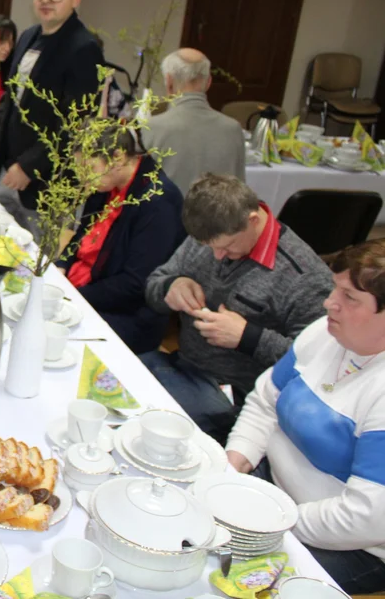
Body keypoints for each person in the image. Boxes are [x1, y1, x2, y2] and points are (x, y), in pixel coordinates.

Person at [226, 239, 385, 595]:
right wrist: (233, 465)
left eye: (350, 298)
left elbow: (367, 517)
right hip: (274, 497)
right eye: (335, 290)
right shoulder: (324, 333)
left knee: (227, 579)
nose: (330, 303)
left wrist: (273, 521)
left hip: (350, 544)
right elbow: (265, 402)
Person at [142, 174, 333, 442]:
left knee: (148, 426)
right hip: (181, 365)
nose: (217, 255)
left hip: (238, 395)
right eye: (210, 247)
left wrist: (247, 337)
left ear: (252, 220)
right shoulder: (209, 233)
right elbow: (153, 285)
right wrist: (171, 286)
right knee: (111, 383)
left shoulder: (304, 277)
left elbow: (315, 362)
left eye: (228, 246)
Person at [0, 0, 103, 233]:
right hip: (7, 167)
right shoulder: (28, 36)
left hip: (43, 184)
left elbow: (74, 125)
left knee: (30, 262)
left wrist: (29, 166)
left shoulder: (85, 48)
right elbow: (9, 104)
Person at [56, 126, 183, 353]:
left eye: (89, 168)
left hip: (126, 313)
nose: (83, 178)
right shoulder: (107, 182)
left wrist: (73, 298)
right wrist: (63, 264)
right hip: (84, 287)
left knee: (52, 338)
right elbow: (83, 233)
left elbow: (136, 283)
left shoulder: (158, 203)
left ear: (118, 158)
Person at [142, 48, 246, 195]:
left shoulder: (151, 127)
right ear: (209, 82)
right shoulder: (233, 129)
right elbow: (240, 193)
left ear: (169, 82)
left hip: (168, 217)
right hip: (219, 217)